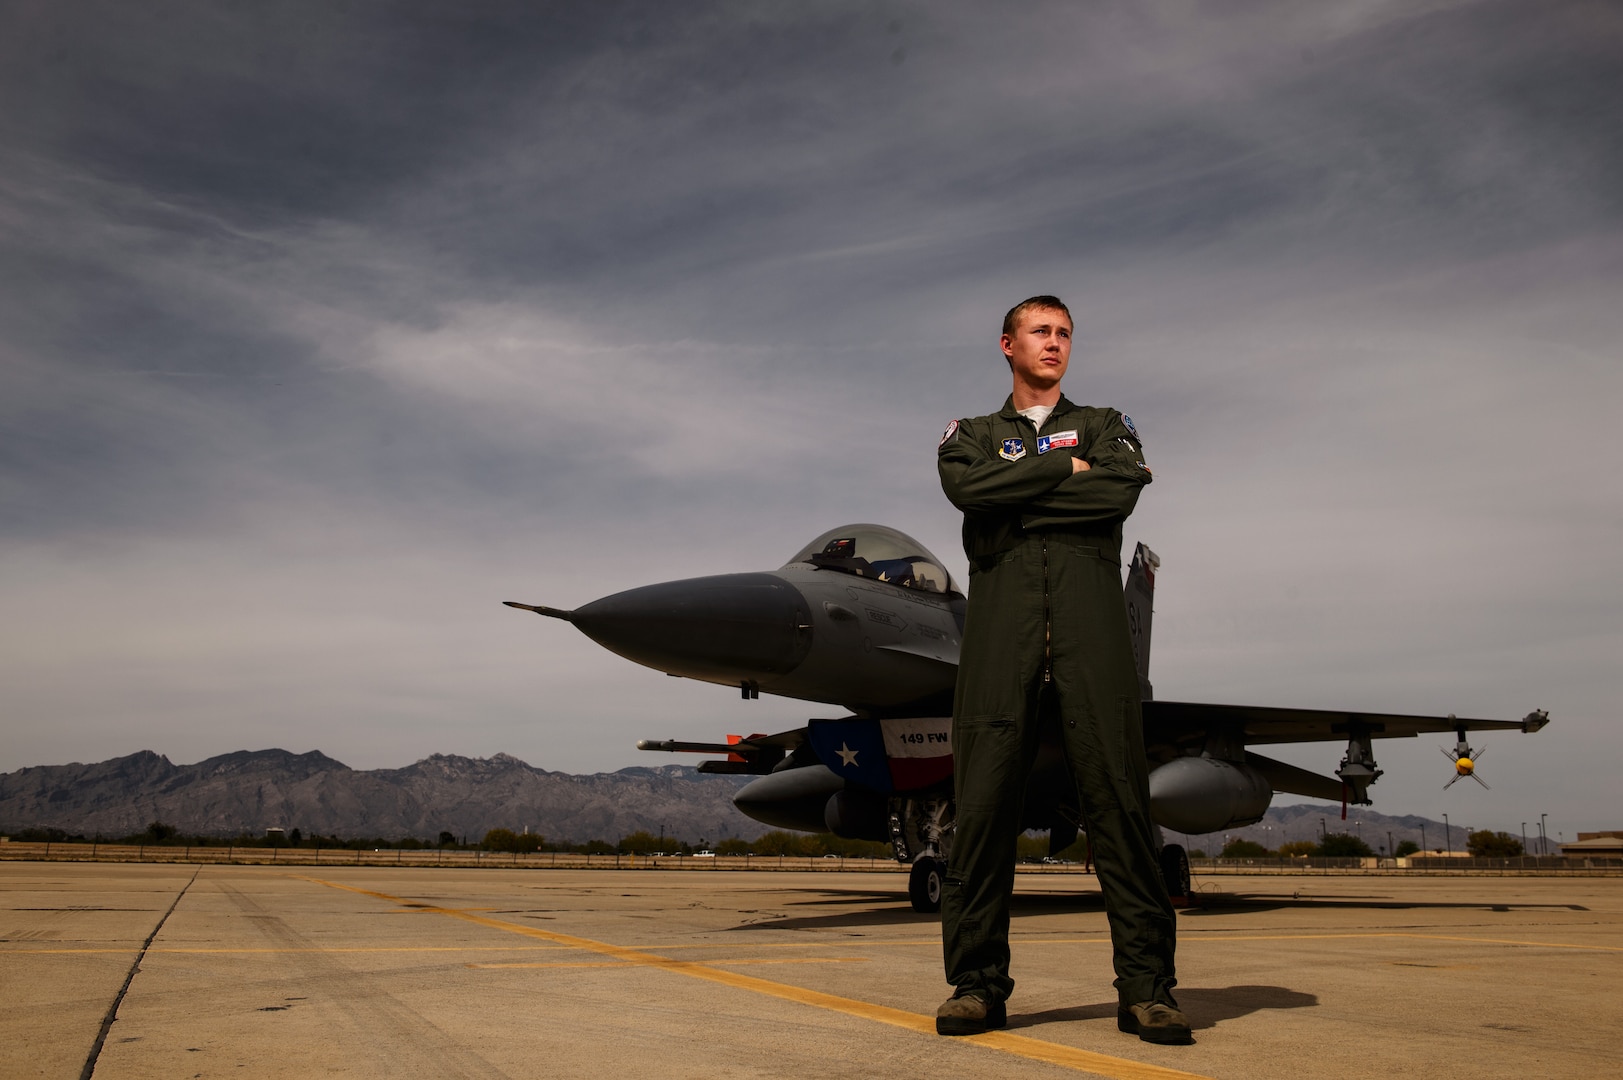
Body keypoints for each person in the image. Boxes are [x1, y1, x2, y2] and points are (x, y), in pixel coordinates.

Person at [933, 295, 1188, 1044]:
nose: (1054, 344)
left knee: (1119, 806)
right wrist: (1061, 471)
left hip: (1091, 636)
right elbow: (966, 490)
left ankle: (1147, 990)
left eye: (1064, 334)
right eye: (1040, 332)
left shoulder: (1107, 425)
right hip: (996, 640)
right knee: (980, 812)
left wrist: (1021, 495)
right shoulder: (971, 434)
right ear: (1006, 344)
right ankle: (976, 987)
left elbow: (1119, 489)